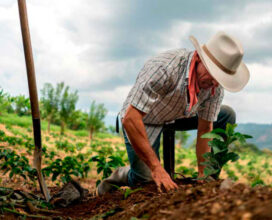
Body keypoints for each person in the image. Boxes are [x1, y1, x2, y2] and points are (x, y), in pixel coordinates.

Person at [97, 31, 250, 195]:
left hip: (178, 114)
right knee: (146, 181)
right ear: (199, 58)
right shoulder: (165, 69)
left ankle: (209, 179)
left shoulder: (214, 86)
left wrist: (203, 174)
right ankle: (122, 175)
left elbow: (206, 128)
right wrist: (157, 168)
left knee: (226, 114)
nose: (214, 83)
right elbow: (131, 119)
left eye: (220, 79)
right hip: (145, 118)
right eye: (213, 74)